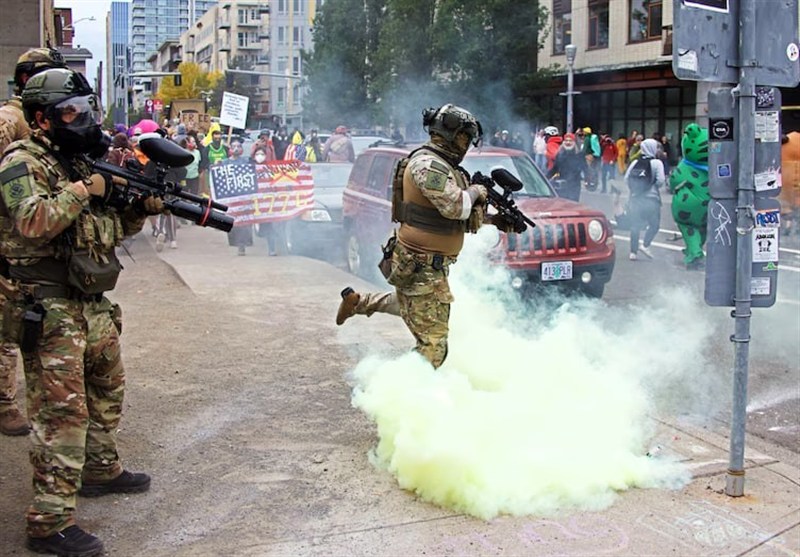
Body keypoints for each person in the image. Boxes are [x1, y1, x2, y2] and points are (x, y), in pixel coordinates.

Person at [0, 67, 159, 556]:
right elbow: (31, 221)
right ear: (43, 119)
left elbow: (104, 230)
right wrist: (82, 190)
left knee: (107, 390)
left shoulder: (72, 160)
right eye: (72, 113)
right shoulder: (20, 164)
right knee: (61, 414)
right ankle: (48, 523)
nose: (84, 121)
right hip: (46, 306)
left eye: (86, 111)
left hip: (89, 303)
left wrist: (138, 208)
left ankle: (100, 469)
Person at [335, 104, 518, 369]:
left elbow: (444, 217)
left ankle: (358, 302)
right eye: (466, 136)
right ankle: (402, 394)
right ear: (452, 134)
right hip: (421, 262)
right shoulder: (428, 165)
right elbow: (455, 206)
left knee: (411, 304)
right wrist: (478, 191)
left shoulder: (445, 166)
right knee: (433, 346)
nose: (467, 144)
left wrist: (494, 220)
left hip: (423, 261)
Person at [0, 47, 68, 436]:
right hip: (12, 238)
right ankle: (5, 401)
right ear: (28, 79)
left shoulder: (43, 121)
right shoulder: (9, 121)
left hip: (37, 241)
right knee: (10, 325)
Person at [625, 138, 665, 261]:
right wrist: (652, 186)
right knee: (654, 225)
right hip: (651, 199)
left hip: (636, 198)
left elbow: (627, 178)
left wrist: (636, 189)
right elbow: (661, 181)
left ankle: (633, 252)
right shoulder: (657, 163)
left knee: (635, 225)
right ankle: (645, 245)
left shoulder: (635, 162)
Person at [225, 141, 253, 255]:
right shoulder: (224, 163)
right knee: (233, 221)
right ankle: (235, 242)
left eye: (238, 146)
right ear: (230, 149)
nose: (236, 149)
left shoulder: (246, 161)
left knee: (244, 222)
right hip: (231, 197)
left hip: (243, 196)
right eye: (234, 146)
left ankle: (242, 245)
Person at [547, 132, 587, 202]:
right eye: (566, 140)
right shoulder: (560, 154)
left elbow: (585, 169)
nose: (568, 142)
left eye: (570, 141)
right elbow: (554, 169)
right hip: (562, 186)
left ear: (574, 142)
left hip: (574, 186)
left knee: (573, 205)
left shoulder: (579, 155)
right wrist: (545, 178)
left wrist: (589, 179)